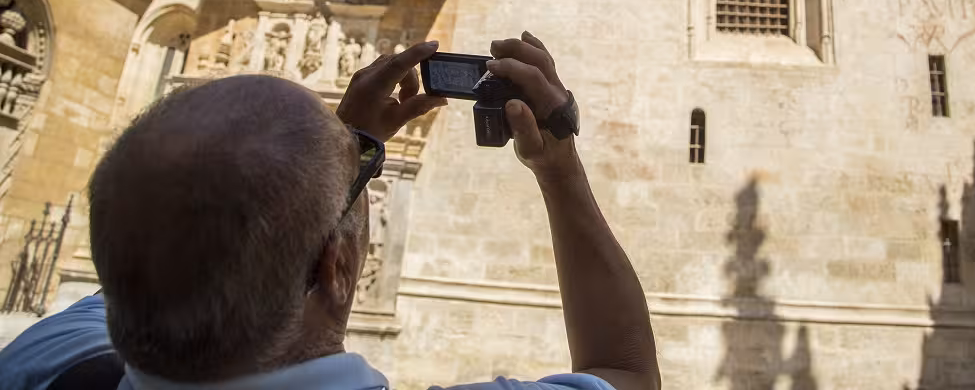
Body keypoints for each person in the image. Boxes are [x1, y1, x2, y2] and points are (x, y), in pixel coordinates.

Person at [0, 33, 660, 390]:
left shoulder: (44, 360)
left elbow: (176, 234)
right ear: (335, 270)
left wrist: (337, 148)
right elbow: (625, 373)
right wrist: (558, 161)